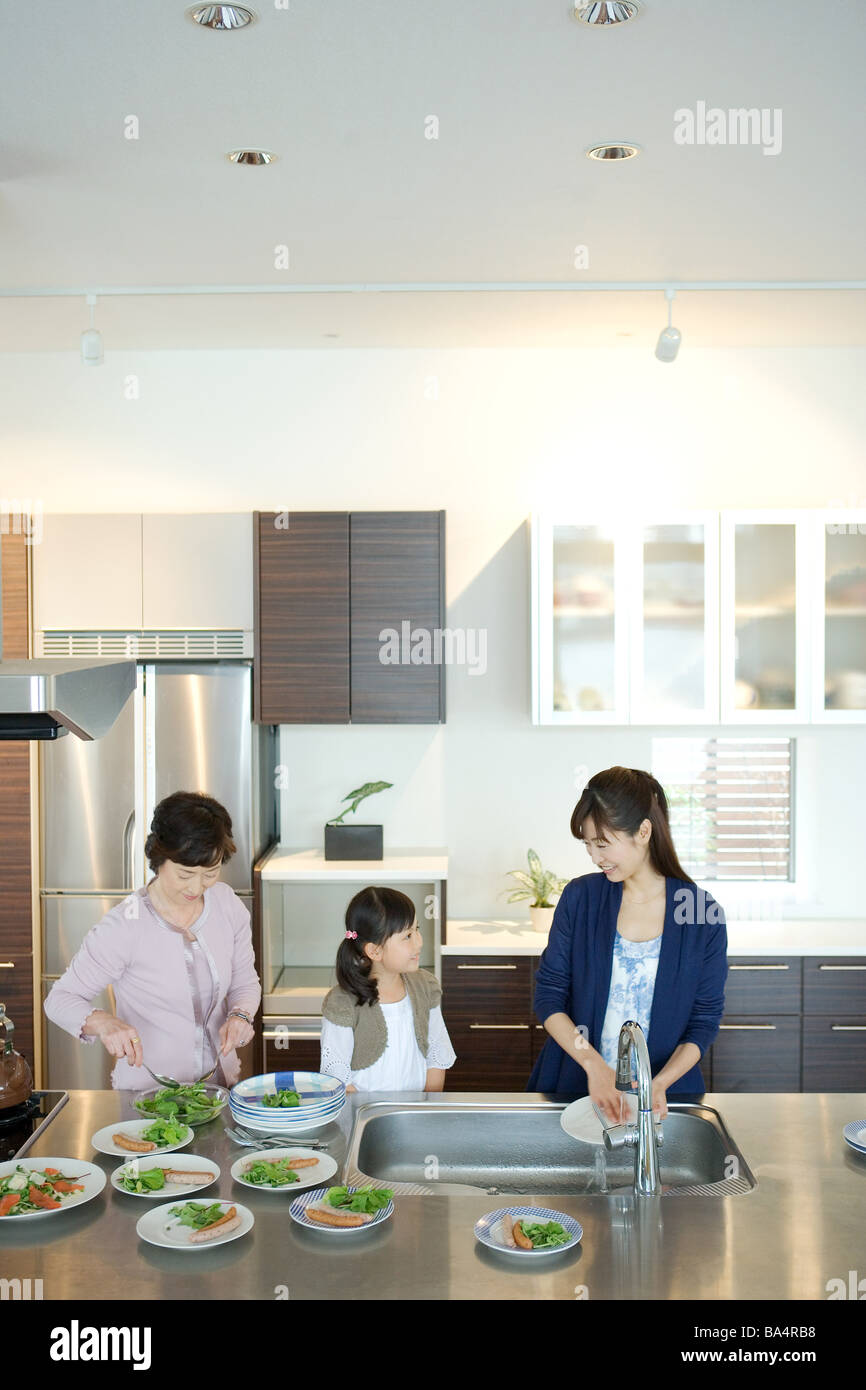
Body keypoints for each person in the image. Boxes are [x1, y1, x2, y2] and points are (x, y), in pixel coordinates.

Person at [527, 766, 727, 1121]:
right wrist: (594, 1066)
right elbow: (549, 996)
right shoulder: (580, 898)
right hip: (574, 1089)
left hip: (668, 1103)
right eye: (588, 844)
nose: (594, 856)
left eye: (602, 843)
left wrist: (659, 1085)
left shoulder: (700, 912)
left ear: (644, 831)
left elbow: (704, 1021)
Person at [44, 791, 260, 1090]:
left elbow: (245, 982)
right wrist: (105, 1023)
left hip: (219, 1089)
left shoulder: (226, 905)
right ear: (159, 858)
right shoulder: (125, 925)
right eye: (185, 874)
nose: (197, 887)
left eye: (210, 872)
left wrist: (240, 1015)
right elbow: (59, 999)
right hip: (147, 1098)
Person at [319, 886, 455, 1092]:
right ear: (375, 950)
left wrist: (427, 1107)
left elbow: (437, 1051)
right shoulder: (343, 1003)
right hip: (363, 1116)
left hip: (415, 1113)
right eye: (407, 936)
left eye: (417, 930)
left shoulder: (425, 987)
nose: (418, 943)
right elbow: (337, 1077)